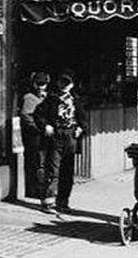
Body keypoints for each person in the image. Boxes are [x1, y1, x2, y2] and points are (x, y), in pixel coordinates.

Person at [34, 70, 87, 214]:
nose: (64, 86)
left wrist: (81, 128)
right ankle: (48, 203)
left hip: (70, 136)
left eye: (67, 83)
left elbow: (83, 118)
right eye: (62, 82)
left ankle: (63, 202)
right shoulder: (51, 99)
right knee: (53, 170)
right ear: (58, 84)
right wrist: (46, 125)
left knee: (67, 171)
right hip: (56, 136)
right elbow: (38, 115)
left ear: (72, 85)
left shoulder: (76, 100)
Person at [19, 71, 50, 199]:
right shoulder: (29, 97)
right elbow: (26, 115)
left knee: (43, 161)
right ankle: (34, 189)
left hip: (45, 133)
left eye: (43, 84)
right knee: (35, 161)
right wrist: (37, 127)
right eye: (38, 84)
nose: (41, 87)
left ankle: (42, 187)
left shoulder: (47, 96)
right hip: (34, 134)